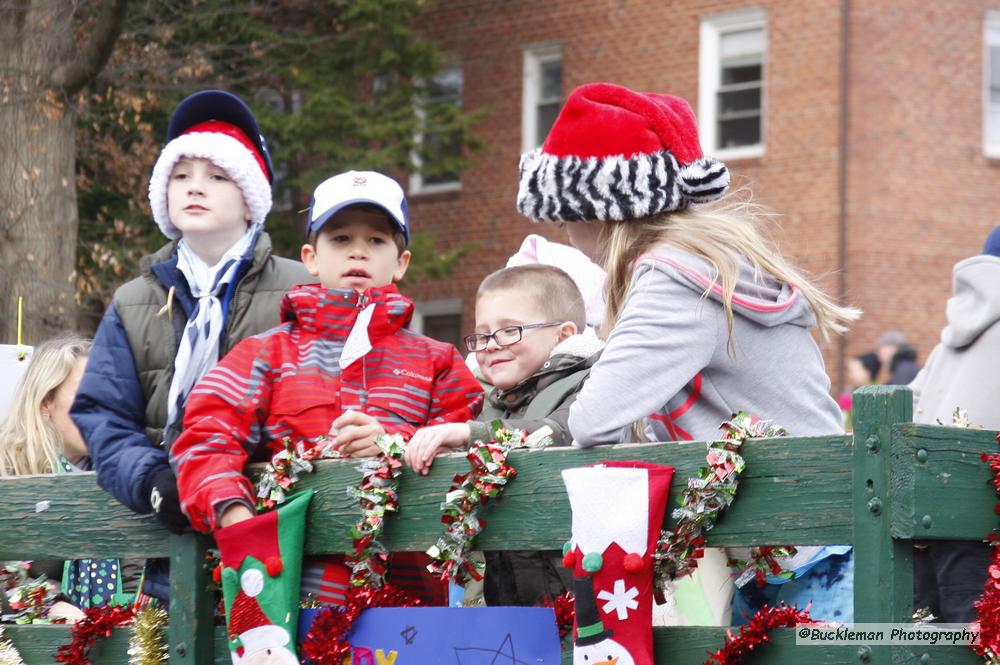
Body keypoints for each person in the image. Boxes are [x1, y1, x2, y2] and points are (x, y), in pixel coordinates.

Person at [515, 82, 861, 624]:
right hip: (811, 539)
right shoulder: (708, 262)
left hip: (802, 557)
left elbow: (595, 418)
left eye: (565, 218)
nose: (566, 234)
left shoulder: (673, 280)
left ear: (603, 211)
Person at [170, 170, 484, 603]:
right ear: (311, 257)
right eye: (340, 239)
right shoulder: (264, 354)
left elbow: (471, 450)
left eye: (377, 240)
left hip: (407, 601)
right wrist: (240, 523)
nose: (358, 250)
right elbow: (205, 442)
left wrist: (396, 443)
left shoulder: (438, 360)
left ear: (401, 262)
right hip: (290, 592)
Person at [70, 90, 313, 599]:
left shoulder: (303, 287)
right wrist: (153, 481)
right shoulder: (134, 300)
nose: (194, 187)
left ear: (250, 197)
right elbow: (101, 416)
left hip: (282, 536)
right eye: (181, 175)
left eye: (217, 175)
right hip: (167, 545)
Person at [406, 265, 604, 606]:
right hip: (500, 597)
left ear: (563, 334)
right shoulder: (483, 402)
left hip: (580, 593)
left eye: (509, 330)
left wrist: (470, 434)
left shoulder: (595, 381)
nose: (490, 346)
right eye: (481, 335)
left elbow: (560, 430)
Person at [0, 335, 131, 617]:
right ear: (46, 401)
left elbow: (137, 573)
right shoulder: (8, 469)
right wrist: (49, 606)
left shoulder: (120, 473)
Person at [908, 226, 1000, 623]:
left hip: (922, 514)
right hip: (981, 517)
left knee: (929, 639)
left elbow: (908, 403)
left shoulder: (955, 333)